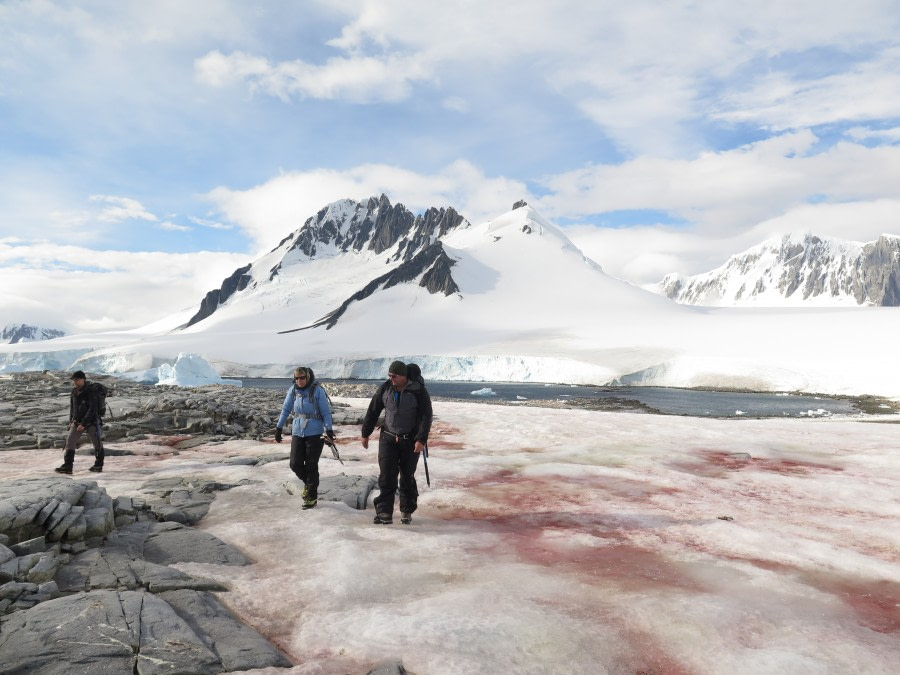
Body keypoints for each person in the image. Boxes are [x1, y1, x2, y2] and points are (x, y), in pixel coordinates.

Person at [361, 360, 433, 525]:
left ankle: (406, 510)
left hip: (410, 440)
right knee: (387, 475)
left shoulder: (418, 391)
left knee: (407, 476)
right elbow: (373, 410)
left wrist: (421, 439)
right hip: (388, 437)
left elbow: (426, 416)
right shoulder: (386, 388)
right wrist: (365, 433)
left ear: (404, 376)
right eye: (389, 375)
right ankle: (384, 512)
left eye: (394, 376)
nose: (391, 378)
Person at [274, 366, 335, 509]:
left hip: (314, 433)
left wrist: (329, 430)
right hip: (297, 431)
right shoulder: (293, 390)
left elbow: (326, 412)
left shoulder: (317, 391)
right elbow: (285, 409)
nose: (299, 381)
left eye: (302, 378)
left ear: (307, 377)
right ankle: (310, 485)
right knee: (294, 463)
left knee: (311, 465)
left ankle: (311, 498)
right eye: (296, 378)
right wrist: (278, 428)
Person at [55, 370, 104, 474]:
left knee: (97, 443)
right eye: (74, 380)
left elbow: (93, 408)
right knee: (70, 441)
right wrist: (71, 421)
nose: (75, 382)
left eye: (77, 379)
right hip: (77, 421)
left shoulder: (91, 391)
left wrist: (84, 423)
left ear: (83, 379)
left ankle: (98, 465)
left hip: (91, 421)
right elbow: (73, 407)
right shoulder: (74, 391)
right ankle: (68, 466)